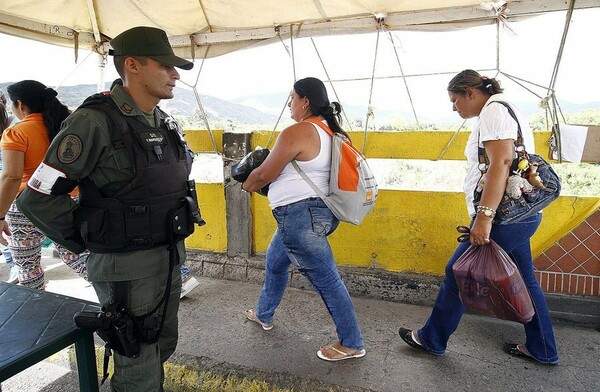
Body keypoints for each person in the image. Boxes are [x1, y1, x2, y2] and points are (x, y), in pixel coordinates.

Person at [17, 26, 200, 391]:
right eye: (165, 66)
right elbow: (37, 197)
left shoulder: (163, 122)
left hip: (167, 255)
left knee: (161, 345)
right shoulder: (93, 121)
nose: (175, 74)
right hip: (126, 264)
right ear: (132, 65)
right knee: (138, 362)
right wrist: (89, 237)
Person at [397, 69, 558, 365]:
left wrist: (484, 217)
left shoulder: (494, 111)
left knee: (459, 271)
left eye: (455, 99)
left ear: (471, 93)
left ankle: (432, 338)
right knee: (526, 280)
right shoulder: (504, 108)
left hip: (502, 217)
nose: (454, 107)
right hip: (520, 215)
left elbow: (502, 162)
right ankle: (543, 348)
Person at [242, 76, 366, 362]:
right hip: (318, 215)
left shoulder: (298, 131)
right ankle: (263, 314)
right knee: (275, 263)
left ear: (305, 101)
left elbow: (264, 174)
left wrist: (246, 184)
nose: (289, 104)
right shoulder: (332, 131)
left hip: (300, 220)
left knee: (328, 282)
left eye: (292, 99)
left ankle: (352, 342)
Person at [109, 78, 200, 299]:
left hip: (149, 218)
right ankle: (182, 275)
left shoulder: (156, 121)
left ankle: (182, 275)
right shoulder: (166, 121)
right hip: (171, 209)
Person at [1, 81, 88, 290]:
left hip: (25, 206)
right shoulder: (67, 127)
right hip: (67, 200)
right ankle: (117, 299)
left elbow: (11, 177)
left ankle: (35, 313)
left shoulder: (16, 133)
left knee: (28, 267)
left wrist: (0, 215)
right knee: (78, 257)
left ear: (20, 105)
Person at [0, 89, 18, 283]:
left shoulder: (14, 128)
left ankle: (15, 264)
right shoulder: (16, 124)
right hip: (13, 186)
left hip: (11, 186)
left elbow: (12, 174)